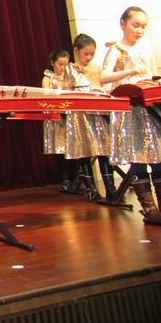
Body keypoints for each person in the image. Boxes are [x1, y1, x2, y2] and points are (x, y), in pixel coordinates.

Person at [101, 6, 161, 220]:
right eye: (135, 25)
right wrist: (129, 71)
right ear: (123, 24)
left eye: (143, 26)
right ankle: (149, 207)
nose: (140, 30)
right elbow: (103, 77)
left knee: (159, 152)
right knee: (138, 154)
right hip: (131, 109)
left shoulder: (145, 50)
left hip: (152, 107)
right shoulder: (116, 50)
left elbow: (152, 75)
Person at [63, 34, 115, 201]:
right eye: (86, 54)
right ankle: (91, 190)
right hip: (80, 115)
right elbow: (66, 90)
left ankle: (111, 189)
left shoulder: (96, 67)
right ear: (76, 51)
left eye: (92, 54)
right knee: (84, 152)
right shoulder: (70, 68)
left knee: (104, 150)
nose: (89, 57)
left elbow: (105, 83)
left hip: (98, 113)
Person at [41, 50, 73, 191]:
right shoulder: (48, 78)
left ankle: (77, 178)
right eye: (60, 64)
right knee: (60, 148)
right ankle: (65, 179)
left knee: (74, 147)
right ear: (52, 63)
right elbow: (46, 95)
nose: (63, 68)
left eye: (66, 65)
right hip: (56, 116)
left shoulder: (71, 76)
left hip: (71, 116)